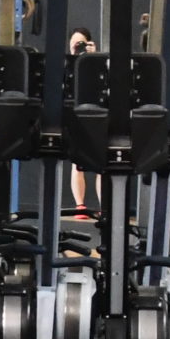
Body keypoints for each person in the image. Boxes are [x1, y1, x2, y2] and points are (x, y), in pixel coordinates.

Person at [67, 26, 98, 214]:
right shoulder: (67, 65)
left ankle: (104, 207)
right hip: (76, 114)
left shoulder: (96, 64)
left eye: (81, 43)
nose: (78, 47)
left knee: (102, 163)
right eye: (74, 43)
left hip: (95, 114)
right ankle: (80, 205)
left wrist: (92, 57)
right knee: (76, 162)